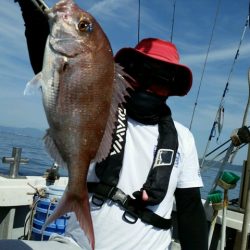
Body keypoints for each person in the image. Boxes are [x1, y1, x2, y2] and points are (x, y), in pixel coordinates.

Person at [0, 1, 208, 249]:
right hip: (76, 245)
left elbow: (190, 208)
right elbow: (55, 75)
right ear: (126, 72)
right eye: (141, 74)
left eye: (162, 80)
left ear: (173, 89)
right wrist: (31, 12)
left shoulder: (183, 138)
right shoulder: (100, 108)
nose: (149, 85)